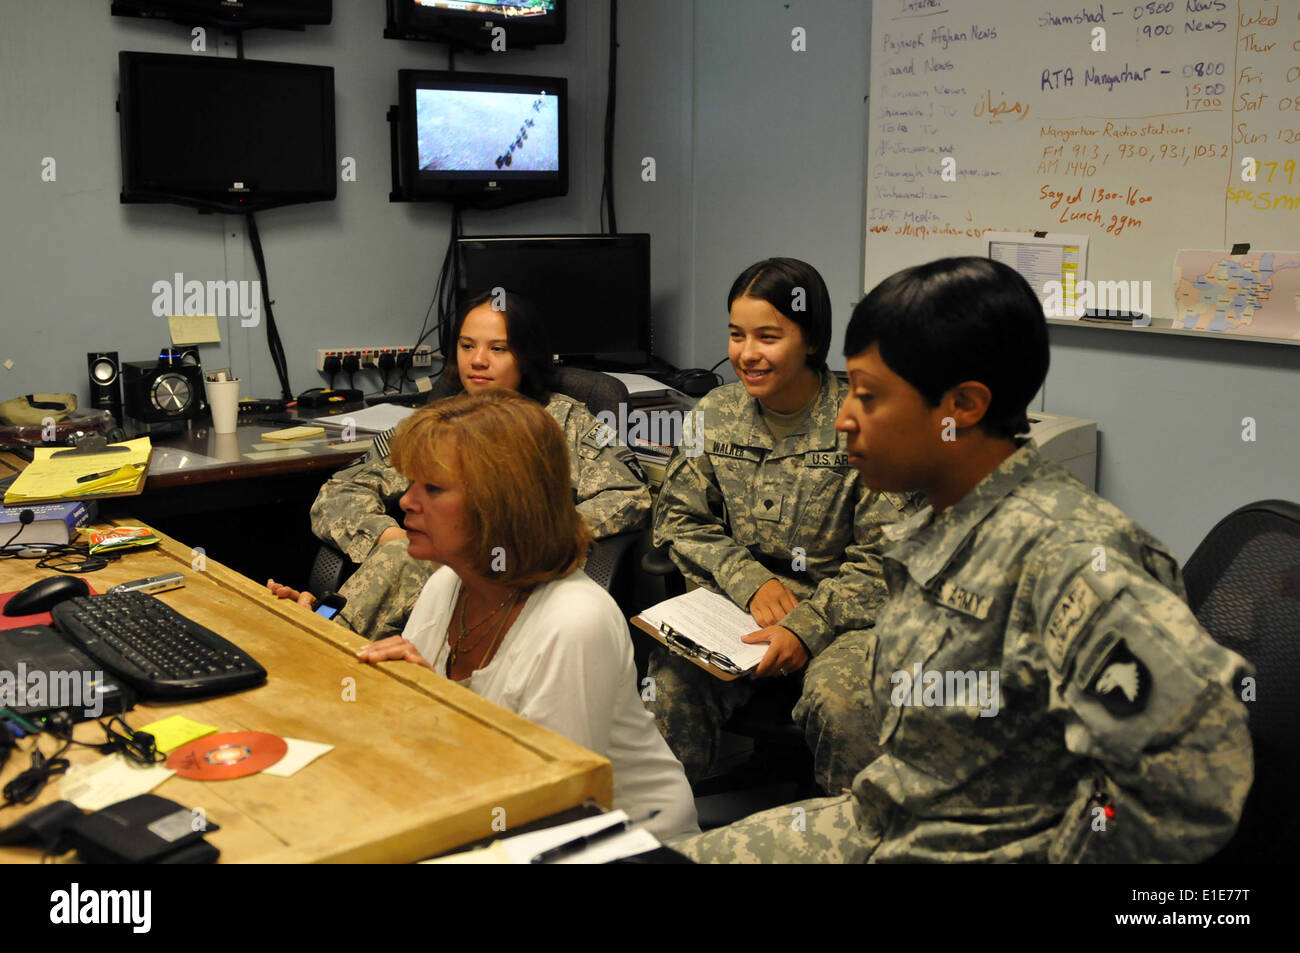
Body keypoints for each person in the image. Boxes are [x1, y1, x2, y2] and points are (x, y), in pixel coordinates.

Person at [678, 256, 1253, 863]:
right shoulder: (938, 526)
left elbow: (1193, 784)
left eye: (871, 397)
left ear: (963, 407)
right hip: (889, 821)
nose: (844, 417)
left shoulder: (1071, 556)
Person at [350, 390, 698, 842]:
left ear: (502, 503)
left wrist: (437, 715)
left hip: (621, 844)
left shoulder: (574, 622)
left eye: (432, 488)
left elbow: (549, 806)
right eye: (411, 484)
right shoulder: (445, 585)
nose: (406, 502)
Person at [646, 257, 919, 787]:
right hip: (738, 607)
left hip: (847, 618)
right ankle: (660, 837)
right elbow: (679, 517)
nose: (747, 354)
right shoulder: (715, 413)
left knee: (841, 702)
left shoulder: (864, 424)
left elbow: (885, 563)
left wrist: (805, 627)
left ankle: (847, 838)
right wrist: (750, 580)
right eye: (736, 335)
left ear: (811, 340)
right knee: (669, 687)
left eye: (767, 337)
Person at [299, 290, 651, 641]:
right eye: (467, 346)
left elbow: (629, 496)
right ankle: (321, 638)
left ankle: (324, 645)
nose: (477, 360)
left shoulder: (569, 422)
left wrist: (535, 538)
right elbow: (340, 491)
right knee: (404, 554)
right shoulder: (438, 421)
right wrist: (385, 533)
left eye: (497, 349)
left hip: (523, 578)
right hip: (436, 576)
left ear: (526, 356)